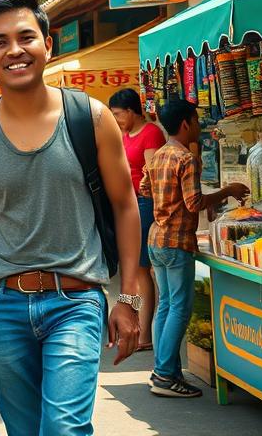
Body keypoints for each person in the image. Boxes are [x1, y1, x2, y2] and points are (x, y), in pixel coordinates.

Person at [0, 0, 141, 436]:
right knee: (23, 430)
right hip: (1, 306)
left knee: (63, 428)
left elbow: (125, 206)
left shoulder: (91, 117)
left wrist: (129, 298)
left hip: (75, 301)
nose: (14, 51)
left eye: (25, 37)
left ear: (47, 44)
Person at [140, 100, 248, 398]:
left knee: (166, 305)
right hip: (175, 242)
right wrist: (228, 191)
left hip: (156, 238)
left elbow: (144, 189)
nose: (200, 127)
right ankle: (164, 375)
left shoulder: (159, 155)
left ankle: (166, 372)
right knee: (179, 307)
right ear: (186, 123)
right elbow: (194, 203)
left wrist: (166, 203)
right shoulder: (186, 158)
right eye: (197, 121)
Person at [109, 88, 166, 350]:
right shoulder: (124, 133)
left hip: (143, 205)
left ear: (132, 111)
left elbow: (152, 175)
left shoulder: (151, 133)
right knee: (132, 270)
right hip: (126, 205)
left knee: (141, 271)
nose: (117, 119)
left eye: (119, 114)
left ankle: (144, 335)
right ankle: (134, 324)